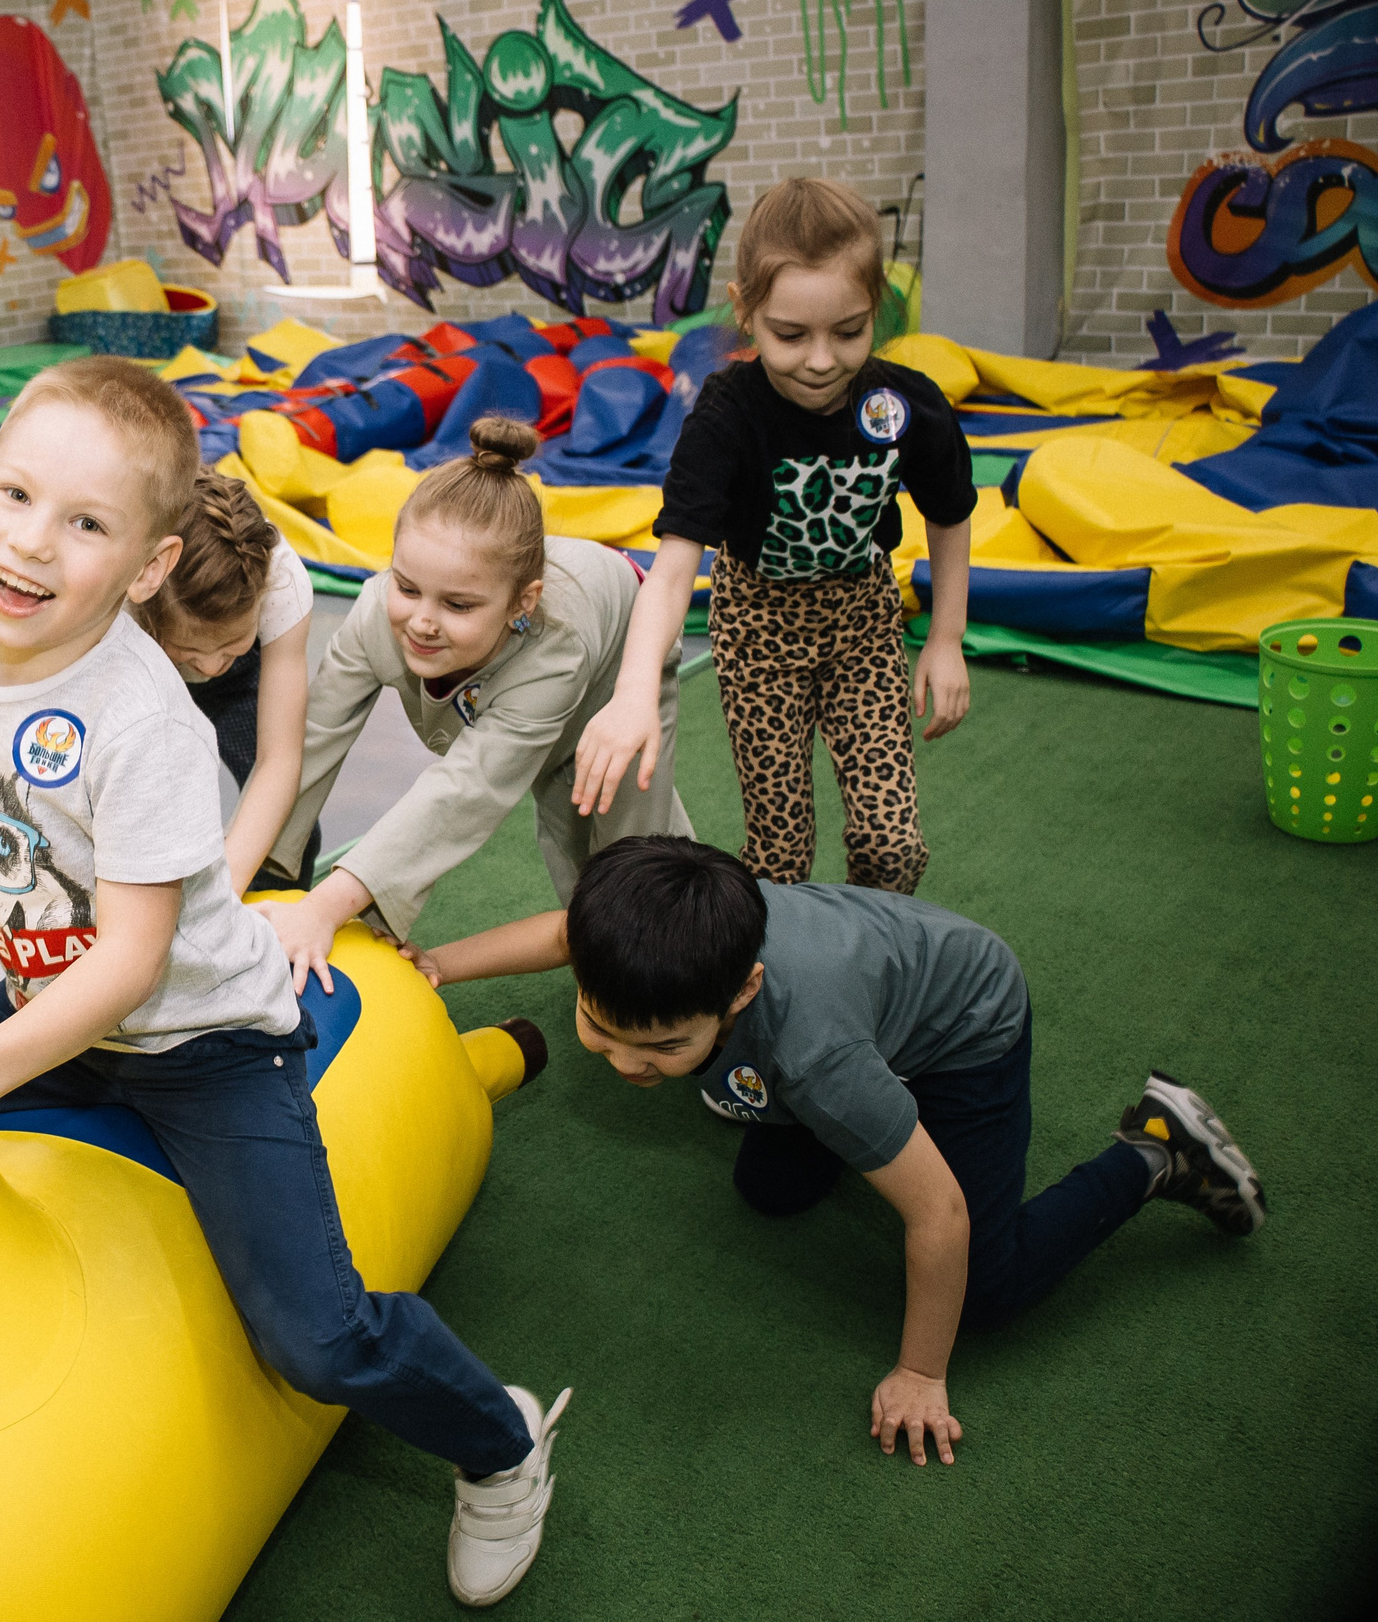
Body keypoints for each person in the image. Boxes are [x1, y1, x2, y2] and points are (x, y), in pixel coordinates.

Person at [0, 356, 572, 1608]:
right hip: (52, 1011)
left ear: (145, 569)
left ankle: (500, 1443)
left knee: (313, 1335)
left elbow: (132, 967)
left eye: (84, 525)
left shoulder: (142, 722)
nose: (32, 545)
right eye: (15, 495)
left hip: (198, 1041)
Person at [407, 836, 1268, 1466]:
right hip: (866, 1006)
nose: (630, 1065)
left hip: (964, 1026)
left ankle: (1156, 1148)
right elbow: (568, 931)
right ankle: (860, 1110)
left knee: (987, 1285)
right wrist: (435, 963)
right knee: (772, 1187)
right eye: (599, 1026)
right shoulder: (671, 937)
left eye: (664, 1047)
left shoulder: (816, 1059)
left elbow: (941, 1214)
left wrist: (920, 1369)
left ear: (742, 989)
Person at [574, 176, 976, 893]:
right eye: (791, 334)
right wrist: (634, 690)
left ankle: (867, 955)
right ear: (747, 311)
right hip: (759, 632)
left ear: (877, 308)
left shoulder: (902, 404)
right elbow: (670, 573)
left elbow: (949, 512)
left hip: (862, 625)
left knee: (894, 846)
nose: (821, 359)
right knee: (781, 851)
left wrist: (945, 638)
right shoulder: (726, 417)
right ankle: (779, 966)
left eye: (848, 331)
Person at [256, 415, 693, 996]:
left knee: (626, 853)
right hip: (528, 650)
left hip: (618, 656)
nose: (422, 620)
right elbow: (311, 741)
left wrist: (331, 903)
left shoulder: (554, 646)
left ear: (522, 602)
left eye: (458, 605)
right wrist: (262, 878)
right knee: (574, 858)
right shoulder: (373, 614)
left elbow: (468, 788)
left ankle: (696, 953)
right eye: (406, 587)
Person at [131, 471, 318, 892]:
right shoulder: (118, 595)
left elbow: (279, 761)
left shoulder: (283, 585)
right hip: (143, 664)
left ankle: (271, 934)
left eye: (231, 642)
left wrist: (223, 902)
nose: (212, 664)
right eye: (192, 650)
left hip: (244, 679)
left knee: (291, 833)